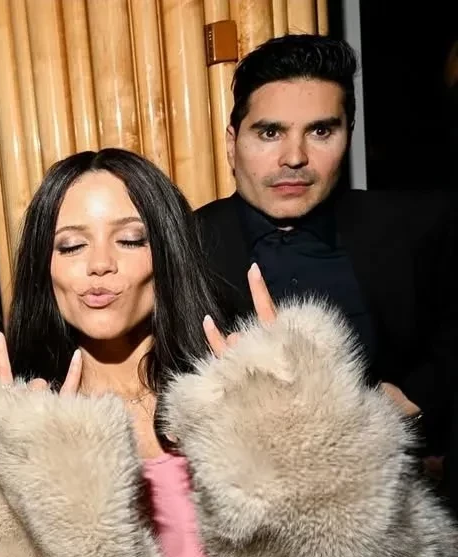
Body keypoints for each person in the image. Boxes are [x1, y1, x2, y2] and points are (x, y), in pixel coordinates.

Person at [0, 148, 458, 557]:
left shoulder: (244, 390)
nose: (100, 265)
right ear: (44, 268)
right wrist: (55, 474)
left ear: (166, 251)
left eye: (130, 239)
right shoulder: (18, 432)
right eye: (71, 245)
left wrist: (297, 425)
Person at [196, 34, 458, 464]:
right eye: (270, 132)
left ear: (347, 136)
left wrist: (416, 398)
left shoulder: (414, 227)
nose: (294, 157)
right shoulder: (186, 245)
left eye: (320, 131)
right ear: (232, 142)